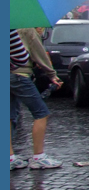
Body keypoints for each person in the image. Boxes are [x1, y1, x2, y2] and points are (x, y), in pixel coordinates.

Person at [10, 28, 62, 169]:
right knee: (41, 113)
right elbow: (38, 54)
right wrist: (52, 74)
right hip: (20, 75)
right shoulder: (27, 30)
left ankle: (9, 158)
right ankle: (39, 157)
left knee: (9, 115)